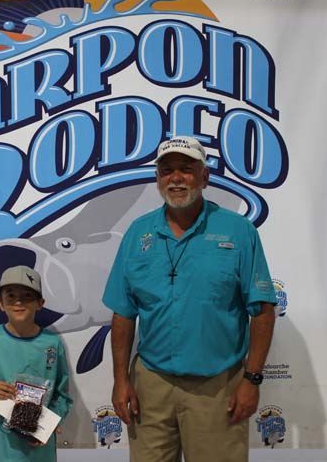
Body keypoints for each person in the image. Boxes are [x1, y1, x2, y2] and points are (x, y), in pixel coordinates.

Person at [102, 136, 277, 462]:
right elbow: (123, 314)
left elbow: (263, 310)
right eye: (167, 171)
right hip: (151, 386)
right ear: (158, 180)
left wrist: (251, 380)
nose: (176, 178)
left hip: (217, 387)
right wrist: (120, 381)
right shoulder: (138, 234)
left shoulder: (238, 231)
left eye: (186, 169)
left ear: (205, 177)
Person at [0, 265, 72, 462]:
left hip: (38, 446)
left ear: (40, 303)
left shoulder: (52, 344)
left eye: (27, 296)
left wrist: (48, 424)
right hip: (1, 445)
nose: (18, 301)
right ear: (0, 303)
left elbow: (62, 395)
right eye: (10, 296)